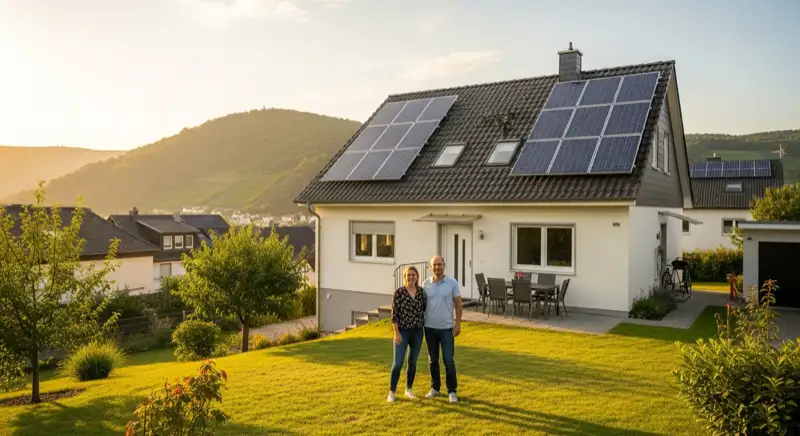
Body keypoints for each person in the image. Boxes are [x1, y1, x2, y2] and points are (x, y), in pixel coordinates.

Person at [422, 255, 462, 403]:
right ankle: (435, 388)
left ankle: (452, 391)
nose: (437, 267)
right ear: (431, 266)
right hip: (430, 328)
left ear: (444, 265)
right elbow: (421, 305)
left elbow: (458, 305)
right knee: (433, 360)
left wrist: (457, 324)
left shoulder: (452, 283)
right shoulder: (425, 283)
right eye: (434, 265)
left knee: (448, 360)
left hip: (446, 328)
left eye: (440, 264)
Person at [387, 265, 426, 402]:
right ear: (405, 277)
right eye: (408, 275)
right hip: (402, 332)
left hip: (417, 332)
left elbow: (424, 309)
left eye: (413, 275)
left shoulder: (421, 292)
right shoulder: (399, 293)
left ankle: (408, 389)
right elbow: (394, 315)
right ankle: (391, 392)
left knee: (412, 362)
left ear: (417, 277)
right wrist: (396, 333)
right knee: (398, 363)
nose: (411, 277)